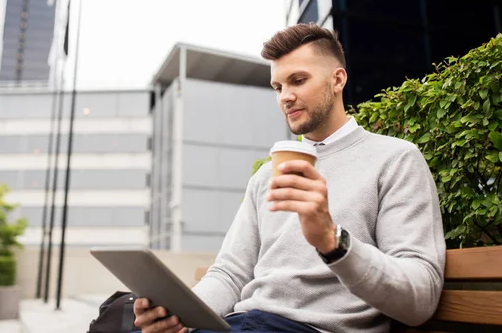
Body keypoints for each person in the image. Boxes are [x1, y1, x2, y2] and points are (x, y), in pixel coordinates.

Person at [133, 23, 446, 333]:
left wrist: (332, 240)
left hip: (311, 329)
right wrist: (178, 318)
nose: (285, 97)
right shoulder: (266, 175)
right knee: (124, 317)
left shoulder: (395, 159)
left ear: (337, 80)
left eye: (298, 80)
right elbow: (230, 274)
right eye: (278, 87)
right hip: (245, 324)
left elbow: (420, 298)